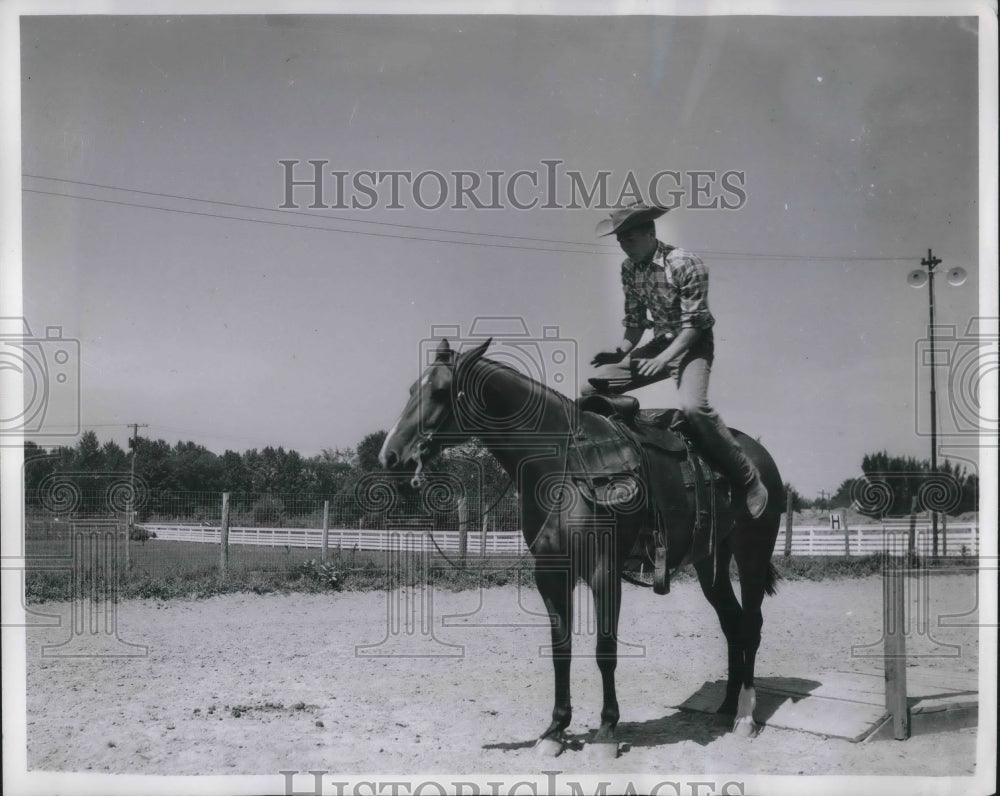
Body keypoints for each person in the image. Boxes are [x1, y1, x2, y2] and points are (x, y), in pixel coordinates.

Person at [583, 202, 768, 519]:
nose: (624, 247)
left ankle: (750, 479)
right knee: (590, 391)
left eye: (629, 239)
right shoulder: (630, 269)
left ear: (650, 232)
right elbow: (636, 323)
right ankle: (618, 471)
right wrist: (619, 353)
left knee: (694, 408)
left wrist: (664, 359)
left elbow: (694, 326)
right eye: (620, 242)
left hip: (692, 345)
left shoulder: (685, 263)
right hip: (660, 343)